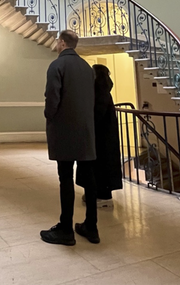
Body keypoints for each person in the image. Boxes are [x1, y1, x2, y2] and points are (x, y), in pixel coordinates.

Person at [41, 29, 99, 246]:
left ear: (62, 43)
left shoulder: (56, 65)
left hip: (64, 130)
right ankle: (91, 227)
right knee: (89, 180)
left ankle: (66, 229)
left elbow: (52, 96)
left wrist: (49, 115)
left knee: (65, 178)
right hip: (85, 130)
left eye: (58, 41)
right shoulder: (87, 67)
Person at [93, 64, 122, 207]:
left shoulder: (100, 92)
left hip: (101, 136)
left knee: (101, 165)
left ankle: (102, 195)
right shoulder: (104, 90)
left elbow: (98, 113)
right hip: (106, 135)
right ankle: (102, 193)